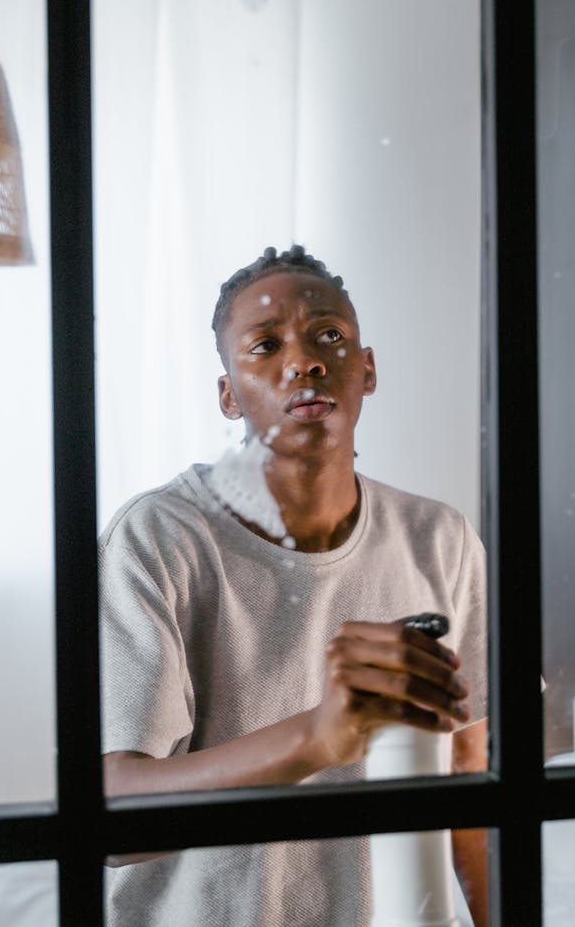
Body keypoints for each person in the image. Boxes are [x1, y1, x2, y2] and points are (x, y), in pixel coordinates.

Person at [100, 245, 488, 927]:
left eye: (329, 336)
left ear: (367, 369)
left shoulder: (439, 536)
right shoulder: (159, 536)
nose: (303, 360)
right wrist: (318, 734)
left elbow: (472, 771)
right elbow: (114, 816)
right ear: (228, 395)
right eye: (265, 344)